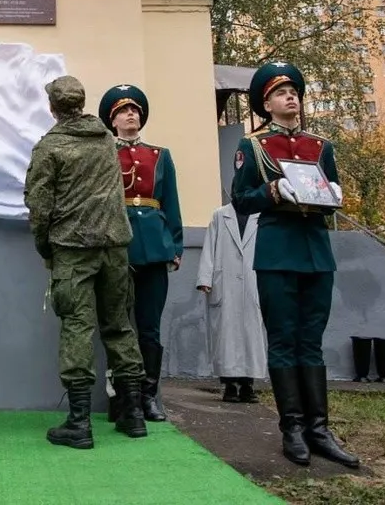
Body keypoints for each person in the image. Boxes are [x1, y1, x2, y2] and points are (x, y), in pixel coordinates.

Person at [231, 61, 358, 469]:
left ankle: (319, 430)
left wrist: (335, 192)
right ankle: (292, 428)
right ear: (266, 103)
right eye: (282, 92)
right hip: (277, 250)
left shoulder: (321, 147)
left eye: (295, 91)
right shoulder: (253, 146)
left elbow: (332, 191)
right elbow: (240, 199)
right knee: (284, 338)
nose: (292, 97)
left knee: (311, 340)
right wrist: (271, 190)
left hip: (316, 250)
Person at [24, 75, 147, 450]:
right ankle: (134, 415)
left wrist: (44, 246)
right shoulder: (106, 140)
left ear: (53, 108)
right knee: (119, 325)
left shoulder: (51, 146)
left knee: (78, 327)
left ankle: (79, 423)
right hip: (115, 246)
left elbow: (39, 202)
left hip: (73, 249)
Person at [98, 84, 183, 423]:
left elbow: (171, 202)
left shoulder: (160, 155)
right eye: (122, 111)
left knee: (149, 327)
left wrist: (175, 245)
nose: (130, 114)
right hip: (118, 245)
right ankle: (122, 396)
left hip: (154, 246)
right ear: (112, 120)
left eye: (134, 110)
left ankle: (148, 396)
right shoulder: (104, 153)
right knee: (118, 324)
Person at [195, 203, 266, 404]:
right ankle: (229, 385)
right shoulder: (220, 215)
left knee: (252, 334)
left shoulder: (261, 215)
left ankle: (248, 384)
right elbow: (209, 245)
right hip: (224, 282)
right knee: (226, 335)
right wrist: (205, 278)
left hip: (253, 281)